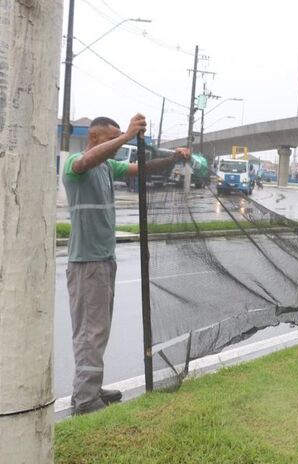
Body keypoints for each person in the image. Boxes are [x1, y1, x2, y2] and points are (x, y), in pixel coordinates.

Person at [63, 114, 191, 415]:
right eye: (112, 139)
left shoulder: (108, 167)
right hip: (87, 263)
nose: (118, 146)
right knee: (90, 332)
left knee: (99, 330)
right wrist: (127, 136)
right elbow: (88, 160)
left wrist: (173, 157)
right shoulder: (74, 165)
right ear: (95, 138)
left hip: (104, 261)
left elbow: (140, 169)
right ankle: (84, 400)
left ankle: (91, 387)